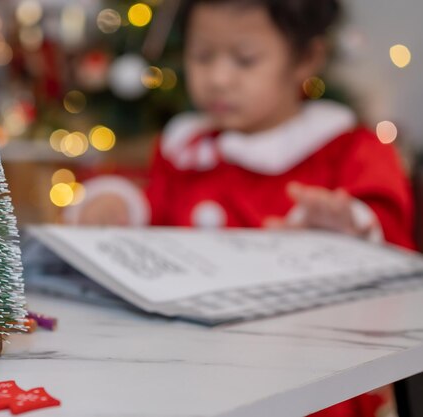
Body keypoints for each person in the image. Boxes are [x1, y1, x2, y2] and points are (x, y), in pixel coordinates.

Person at [67, 0, 412, 415]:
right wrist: (118, 204)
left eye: (244, 60)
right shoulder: (186, 149)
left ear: (306, 58)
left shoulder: (348, 149)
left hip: (310, 379)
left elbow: (396, 246)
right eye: (202, 56)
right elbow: (153, 215)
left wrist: (353, 227)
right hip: (188, 375)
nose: (218, 78)